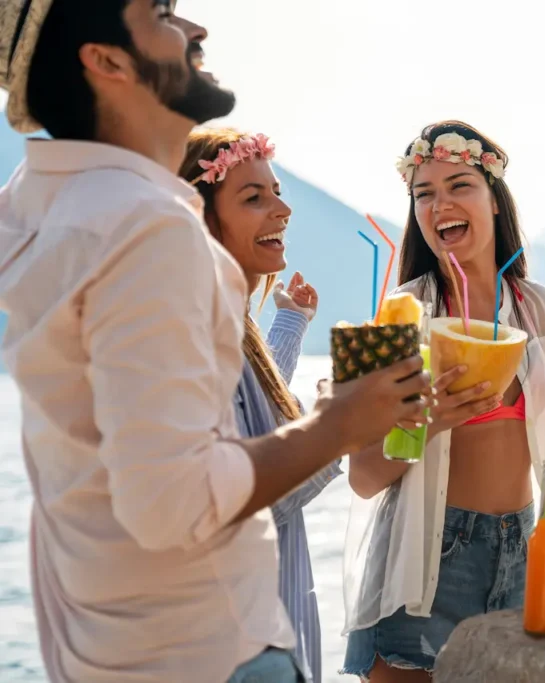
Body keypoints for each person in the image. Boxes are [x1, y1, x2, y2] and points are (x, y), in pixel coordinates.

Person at [0, 2, 430, 681]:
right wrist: (342, 422)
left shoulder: (38, 206)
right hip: (214, 652)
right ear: (107, 60)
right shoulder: (146, 227)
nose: (195, 30)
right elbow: (173, 498)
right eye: (162, 14)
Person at [341, 120, 545, 681]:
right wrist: (431, 421)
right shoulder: (400, 318)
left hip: (526, 548)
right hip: (429, 554)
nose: (440, 205)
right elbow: (364, 476)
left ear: (494, 200)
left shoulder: (541, 313)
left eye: (459, 185)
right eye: (423, 194)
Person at [180, 128, 339, 683]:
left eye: (276, 190)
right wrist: (335, 428)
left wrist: (291, 323)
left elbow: (260, 405)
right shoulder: (201, 335)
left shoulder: (230, 322)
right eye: (254, 197)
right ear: (201, 220)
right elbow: (238, 514)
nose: (285, 208)